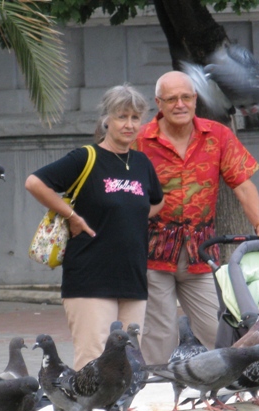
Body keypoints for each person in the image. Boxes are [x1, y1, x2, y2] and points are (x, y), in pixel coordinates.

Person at [135, 70, 259, 363]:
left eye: (186, 97)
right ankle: (159, 397)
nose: (180, 104)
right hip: (150, 251)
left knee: (220, 328)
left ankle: (226, 385)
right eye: (172, 99)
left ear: (195, 99)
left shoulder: (217, 135)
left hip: (200, 252)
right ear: (158, 103)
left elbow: (243, 185)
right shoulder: (140, 140)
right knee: (158, 336)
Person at [25, 84, 164, 369]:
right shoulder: (85, 158)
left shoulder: (141, 163)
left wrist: (129, 219)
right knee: (94, 361)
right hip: (90, 276)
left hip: (133, 275)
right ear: (106, 120)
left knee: (129, 361)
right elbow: (34, 183)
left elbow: (157, 202)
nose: (129, 124)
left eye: (135, 118)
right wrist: (72, 217)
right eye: (122, 116)